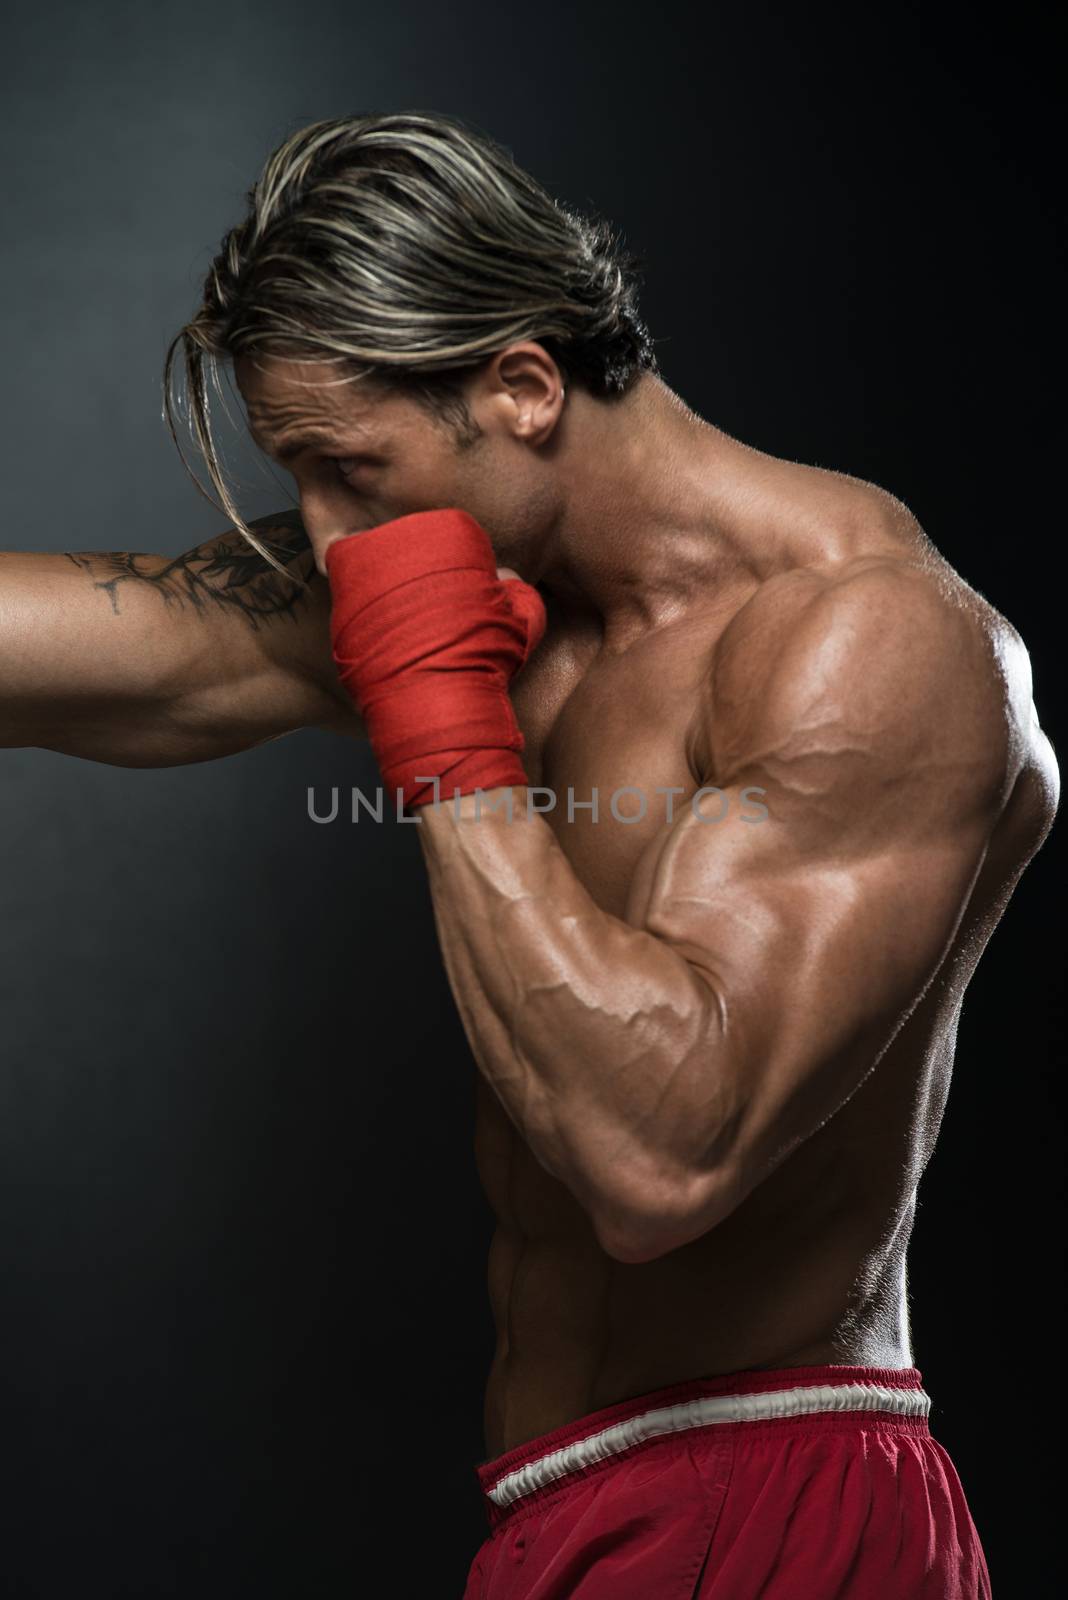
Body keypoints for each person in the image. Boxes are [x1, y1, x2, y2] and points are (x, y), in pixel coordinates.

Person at [6, 111, 1058, 1597]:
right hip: (562, 1507)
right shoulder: (476, 579)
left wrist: (439, 724)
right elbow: (67, 654)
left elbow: (661, 1157)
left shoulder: (865, 642)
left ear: (520, 386)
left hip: (783, 1499)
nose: (318, 536)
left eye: (345, 469)